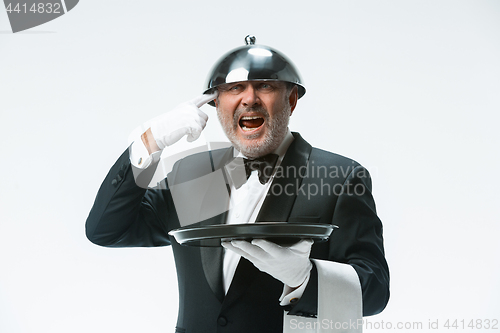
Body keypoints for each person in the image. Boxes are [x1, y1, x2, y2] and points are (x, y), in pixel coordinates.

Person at [86, 36, 389, 333]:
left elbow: (375, 291)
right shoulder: (193, 174)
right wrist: (148, 143)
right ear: (216, 103)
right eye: (235, 88)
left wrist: (304, 278)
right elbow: (107, 230)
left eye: (266, 86)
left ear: (292, 100)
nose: (249, 98)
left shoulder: (339, 177)